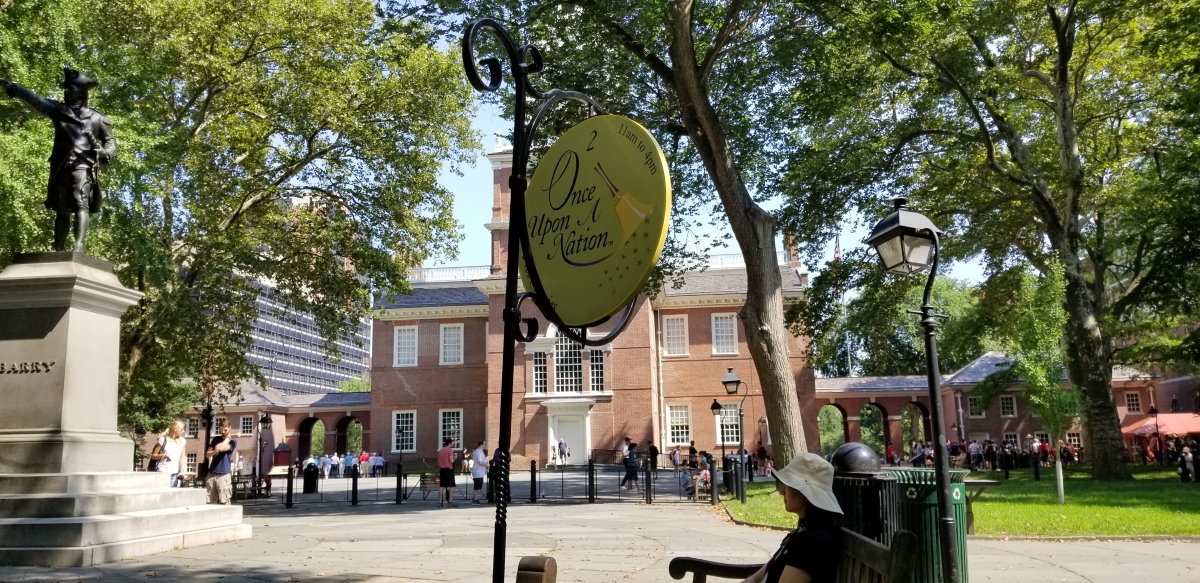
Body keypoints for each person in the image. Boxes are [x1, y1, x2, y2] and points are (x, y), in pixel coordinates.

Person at [738, 453, 843, 583]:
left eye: (788, 484)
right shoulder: (801, 533)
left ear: (805, 494)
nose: (782, 491)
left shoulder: (814, 542)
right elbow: (755, 579)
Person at [205, 423, 238, 505]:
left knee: (224, 500)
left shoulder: (233, 441)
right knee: (210, 499)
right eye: (221, 430)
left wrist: (229, 437)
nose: (223, 432)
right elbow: (207, 454)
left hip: (224, 474)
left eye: (225, 430)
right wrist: (214, 451)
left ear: (230, 428)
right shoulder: (216, 439)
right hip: (212, 473)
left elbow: (222, 448)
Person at [152, 420, 187, 487]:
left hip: (174, 473)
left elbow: (182, 457)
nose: (183, 431)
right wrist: (161, 455)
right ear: (175, 429)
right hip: (162, 471)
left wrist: (181, 471)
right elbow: (153, 456)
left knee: (171, 495)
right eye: (182, 429)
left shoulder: (182, 441)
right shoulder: (163, 440)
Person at [437, 438, 458, 507]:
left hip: (442, 469)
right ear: (450, 443)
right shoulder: (450, 450)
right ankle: (450, 501)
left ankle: (440, 502)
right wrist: (455, 457)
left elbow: (438, 461)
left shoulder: (440, 450)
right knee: (451, 486)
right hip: (449, 469)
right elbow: (451, 461)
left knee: (441, 485)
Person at [471, 441, 489, 505]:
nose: (485, 445)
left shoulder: (476, 451)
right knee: (477, 487)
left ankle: (474, 498)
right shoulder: (480, 452)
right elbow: (480, 462)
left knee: (477, 486)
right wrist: (487, 465)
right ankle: (475, 499)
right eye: (485, 444)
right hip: (478, 471)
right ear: (482, 445)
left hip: (478, 471)